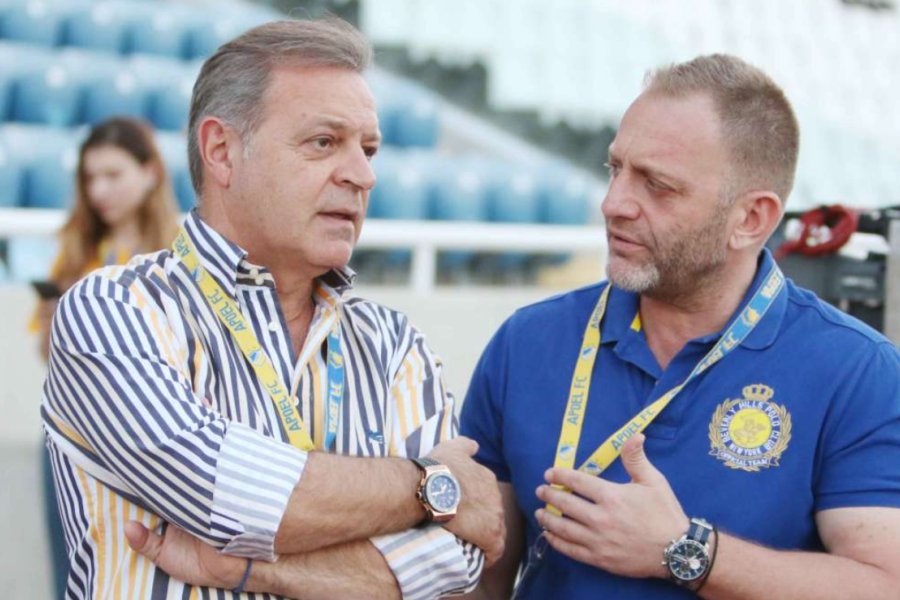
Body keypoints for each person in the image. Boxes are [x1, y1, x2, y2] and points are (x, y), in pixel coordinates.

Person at [42, 17, 503, 600]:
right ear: (222, 151)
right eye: (324, 142)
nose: (363, 175)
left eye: (368, 149)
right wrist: (433, 485)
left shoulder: (393, 344)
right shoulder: (113, 310)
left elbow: (460, 557)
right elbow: (226, 497)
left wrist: (248, 570)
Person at [460, 54, 900, 599]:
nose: (614, 204)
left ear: (751, 219)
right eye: (615, 169)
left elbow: (885, 585)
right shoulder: (527, 342)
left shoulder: (858, 371)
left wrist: (685, 551)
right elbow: (475, 580)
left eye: (658, 185)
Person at [32, 116, 180, 599]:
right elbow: (45, 353)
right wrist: (58, 322)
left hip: (154, 435)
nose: (99, 190)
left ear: (150, 172)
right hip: (73, 433)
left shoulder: (180, 256)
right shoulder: (76, 250)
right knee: (74, 574)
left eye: (112, 175)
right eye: (90, 177)